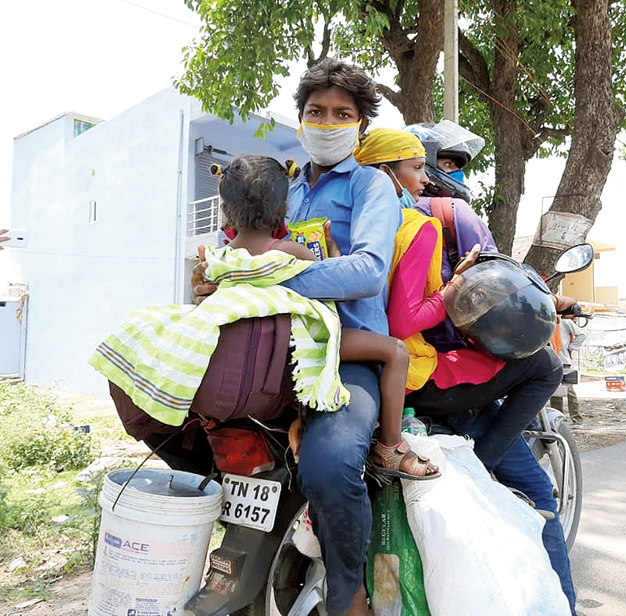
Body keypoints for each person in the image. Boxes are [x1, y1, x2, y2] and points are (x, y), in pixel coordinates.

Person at [192, 58, 403, 616]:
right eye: (316, 112)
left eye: (342, 114)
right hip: (264, 351)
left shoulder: (372, 186)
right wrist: (216, 277)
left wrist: (275, 268)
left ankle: (348, 593)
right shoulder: (280, 187)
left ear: (360, 126)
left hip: (343, 353)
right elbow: (238, 254)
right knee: (181, 424)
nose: (327, 122)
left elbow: (367, 271)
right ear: (301, 118)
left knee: (330, 467)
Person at [354, 127, 578, 614]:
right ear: (401, 169)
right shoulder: (438, 220)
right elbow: (490, 284)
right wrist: (452, 289)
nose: (445, 175)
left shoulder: (346, 218)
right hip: (427, 375)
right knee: (543, 368)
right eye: (440, 164)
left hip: (368, 374)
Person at [207, 153, 438, 480]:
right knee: (395, 351)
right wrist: (332, 252)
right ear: (283, 209)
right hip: (298, 339)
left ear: (227, 210)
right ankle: (390, 446)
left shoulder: (220, 259)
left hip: (254, 349)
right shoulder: (290, 252)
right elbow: (331, 287)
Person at [550, 318, 587, 424]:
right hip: (551, 361)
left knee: (569, 391)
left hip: (563, 360)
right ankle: (558, 419)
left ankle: (576, 419)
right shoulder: (547, 322)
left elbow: (582, 334)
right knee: (555, 392)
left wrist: (571, 348)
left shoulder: (565, 322)